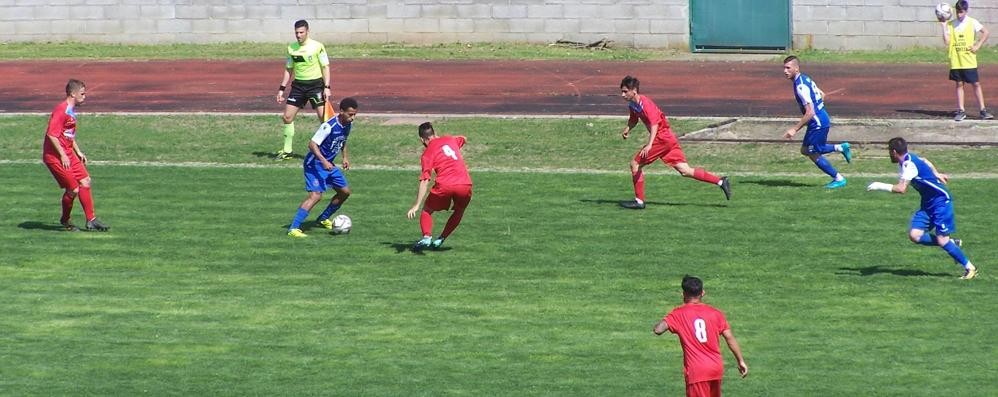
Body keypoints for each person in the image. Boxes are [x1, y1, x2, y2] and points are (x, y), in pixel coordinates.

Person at [866, 137, 978, 279]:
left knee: (942, 240)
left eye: (889, 151)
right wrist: (936, 173)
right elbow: (925, 160)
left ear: (894, 152)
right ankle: (951, 244)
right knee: (915, 235)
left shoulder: (908, 165)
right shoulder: (908, 158)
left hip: (941, 203)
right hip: (927, 204)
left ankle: (970, 268)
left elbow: (901, 189)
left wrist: (879, 186)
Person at [618, 75, 731, 209]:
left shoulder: (645, 104)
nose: (622, 94)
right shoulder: (633, 104)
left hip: (662, 138)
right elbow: (634, 119)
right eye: (622, 91)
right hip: (669, 139)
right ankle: (720, 181)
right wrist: (628, 129)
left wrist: (649, 145)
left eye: (625, 91)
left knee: (635, 164)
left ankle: (639, 201)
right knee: (685, 170)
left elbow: (654, 125)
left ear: (634, 91)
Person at [654, 275, 748, 397]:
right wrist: (740, 361)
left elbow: (658, 330)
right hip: (716, 368)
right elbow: (729, 338)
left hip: (697, 371)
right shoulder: (716, 313)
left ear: (683, 293)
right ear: (702, 293)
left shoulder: (678, 314)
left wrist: (667, 318)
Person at [42, 79, 109, 232]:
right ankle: (65, 221)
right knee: (73, 189)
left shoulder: (71, 110)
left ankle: (91, 220)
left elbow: (67, 135)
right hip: (55, 157)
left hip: (67, 153)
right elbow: (52, 135)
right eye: (82, 94)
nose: (85, 97)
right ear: (73, 93)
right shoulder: (61, 110)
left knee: (85, 181)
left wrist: (77, 151)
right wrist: (63, 156)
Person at [286, 97, 358, 238]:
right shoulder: (329, 126)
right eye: (350, 114)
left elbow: (343, 141)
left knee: (345, 192)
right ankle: (293, 228)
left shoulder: (347, 125)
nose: (353, 117)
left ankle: (323, 218)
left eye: (355, 114)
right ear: (341, 111)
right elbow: (312, 144)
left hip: (328, 165)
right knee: (316, 196)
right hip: (315, 164)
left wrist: (344, 157)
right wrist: (324, 161)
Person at [782, 55, 853, 189]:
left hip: (818, 123)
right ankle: (840, 148)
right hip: (821, 118)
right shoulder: (805, 78)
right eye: (784, 68)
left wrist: (794, 129)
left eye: (788, 68)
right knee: (805, 150)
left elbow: (810, 112)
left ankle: (839, 178)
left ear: (796, 69)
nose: (785, 71)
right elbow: (822, 94)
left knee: (813, 152)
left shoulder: (800, 87)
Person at [406, 122, 473, 250]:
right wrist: (445, 139)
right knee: (459, 211)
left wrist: (416, 205)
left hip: (445, 184)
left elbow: (425, 179)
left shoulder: (427, 153)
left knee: (427, 210)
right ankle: (441, 239)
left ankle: (427, 237)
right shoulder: (450, 139)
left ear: (422, 139)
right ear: (434, 133)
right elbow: (464, 138)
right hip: (465, 183)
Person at [274, 19, 332, 160]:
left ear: (307, 32)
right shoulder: (291, 48)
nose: (298, 35)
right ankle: (287, 151)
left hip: (315, 86)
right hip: (298, 87)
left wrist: (327, 87)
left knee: (325, 120)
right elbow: (289, 68)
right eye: (296, 33)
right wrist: (281, 89)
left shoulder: (317, 46)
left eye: (301, 32)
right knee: (287, 117)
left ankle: (326, 151)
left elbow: (325, 67)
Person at [942, 0, 992, 121]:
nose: (959, 14)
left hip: (969, 60)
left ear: (966, 11)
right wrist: (943, 26)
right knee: (959, 84)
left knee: (976, 83)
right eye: (957, 12)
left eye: (961, 12)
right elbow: (947, 42)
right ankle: (961, 110)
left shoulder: (972, 22)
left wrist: (978, 45)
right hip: (956, 60)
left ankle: (982, 110)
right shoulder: (951, 24)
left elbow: (986, 32)